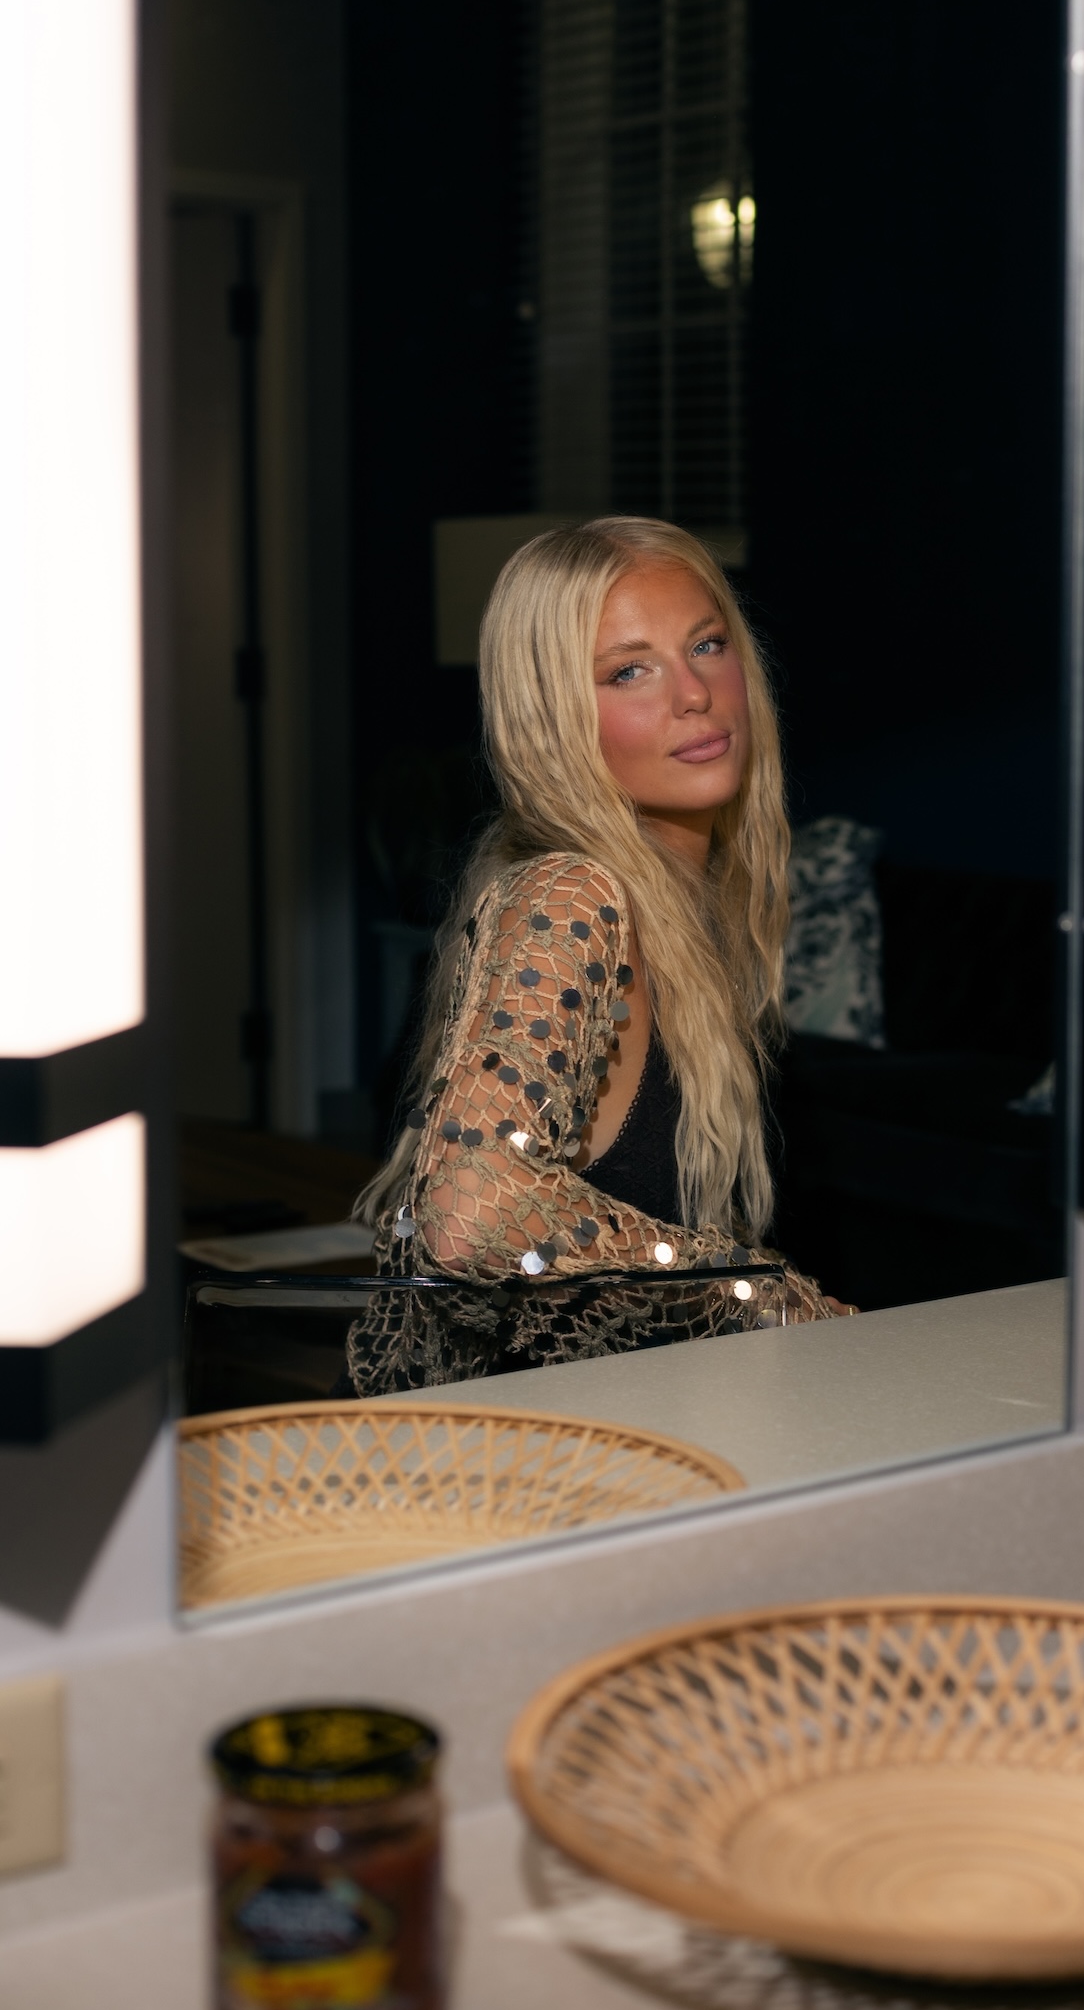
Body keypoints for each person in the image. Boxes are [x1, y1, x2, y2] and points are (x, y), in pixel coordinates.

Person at [347, 517, 848, 1394]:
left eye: (707, 645)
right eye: (629, 671)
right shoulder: (571, 895)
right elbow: (470, 1214)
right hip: (494, 1460)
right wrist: (752, 1290)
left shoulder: (693, 909)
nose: (694, 694)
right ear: (554, 720)